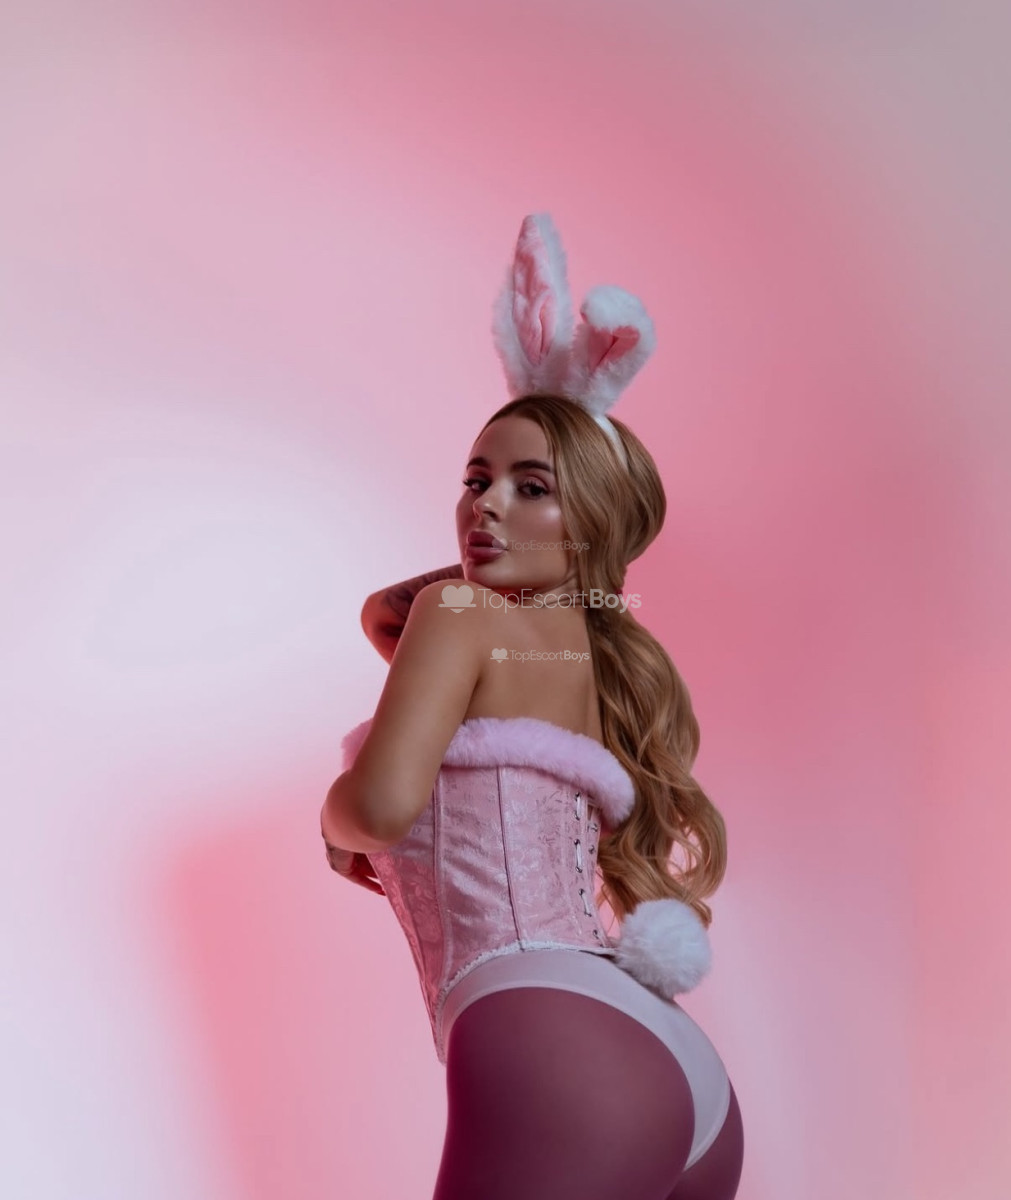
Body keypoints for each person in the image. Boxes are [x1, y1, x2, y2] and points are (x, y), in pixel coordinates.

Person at [320, 215, 744, 1199]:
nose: (485, 505)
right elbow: (387, 618)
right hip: (675, 1068)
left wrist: (334, 820)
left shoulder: (461, 616)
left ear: (588, 521)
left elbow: (376, 807)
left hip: (549, 1039)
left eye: (530, 487)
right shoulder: (587, 656)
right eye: (476, 480)